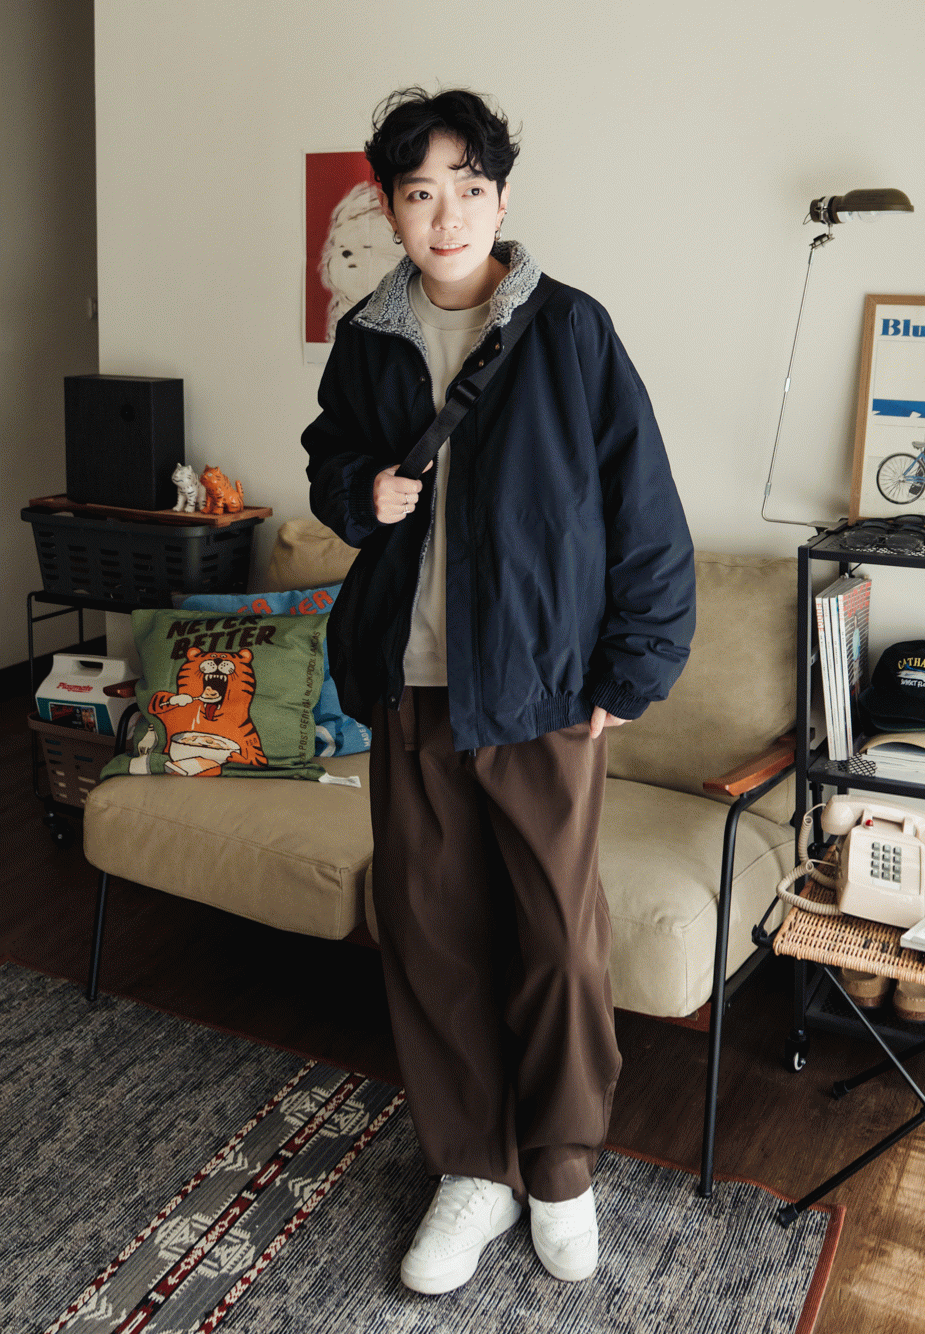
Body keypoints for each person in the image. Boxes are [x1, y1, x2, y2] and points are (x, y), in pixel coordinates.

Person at [302, 87, 696, 1295]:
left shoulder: (569, 330)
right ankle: (473, 1165)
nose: (447, 214)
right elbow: (329, 459)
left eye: (469, 188)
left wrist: (633, 666)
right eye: (421, 192)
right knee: (430, 933)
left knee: (557, 938)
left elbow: (643, 508)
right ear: (389, 207)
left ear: (502, 197)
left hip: (539, 691)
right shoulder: (369, 338)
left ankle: (561, 1166)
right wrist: (359, 490)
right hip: (410, 684)